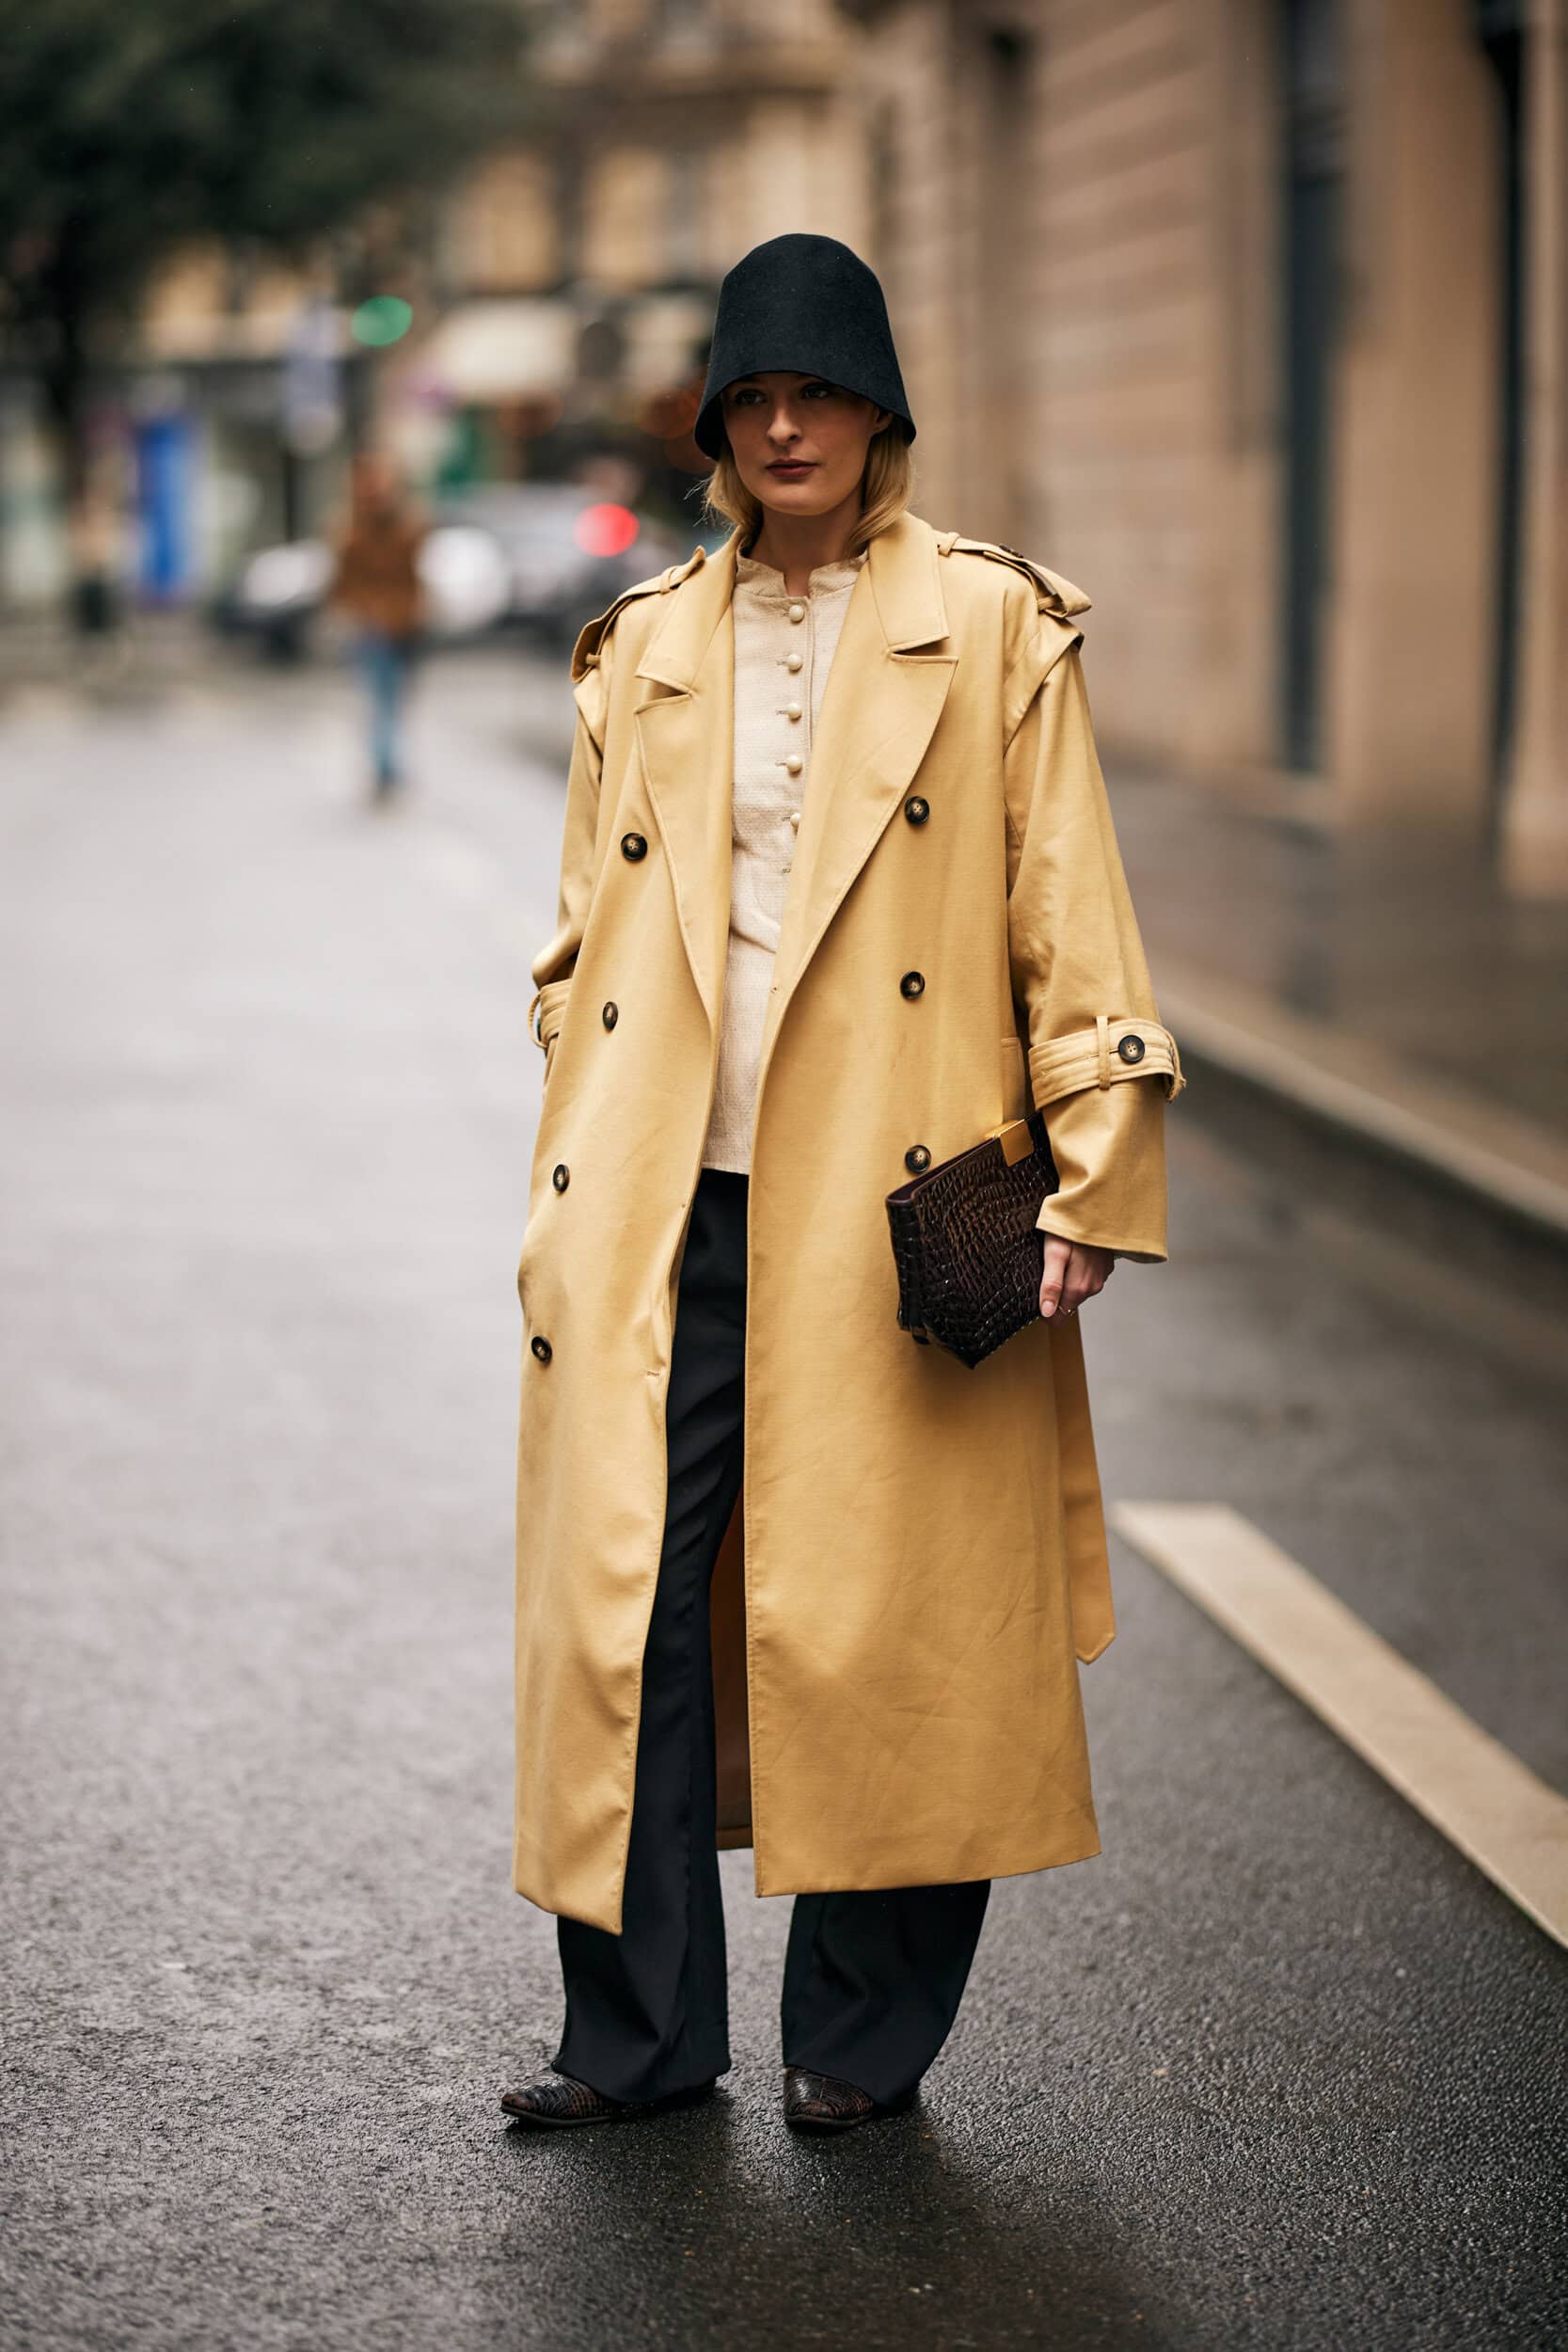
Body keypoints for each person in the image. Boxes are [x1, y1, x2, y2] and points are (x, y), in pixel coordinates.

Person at [502, 235, 1184, 2137]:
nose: (782, 423)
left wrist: (1086, 1168)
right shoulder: (642, 641)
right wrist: (563, 1128)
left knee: (886, 1615)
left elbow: (1069, 917)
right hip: (662, 1203)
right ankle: (632, 2038)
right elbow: (583, 933)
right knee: (625, 1610)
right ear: (715, 425)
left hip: (897, 1204)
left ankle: (856, 2043)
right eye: (749, 396)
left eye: (815, 392)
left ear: (879, 413)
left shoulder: (987, 626)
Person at [328, 454, 425, 802]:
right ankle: (387, 766)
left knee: (387, 699)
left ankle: (387, 767)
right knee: (385, 698)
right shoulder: (359, 529)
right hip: (378, 626)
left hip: (393, 625)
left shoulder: (364, 527)